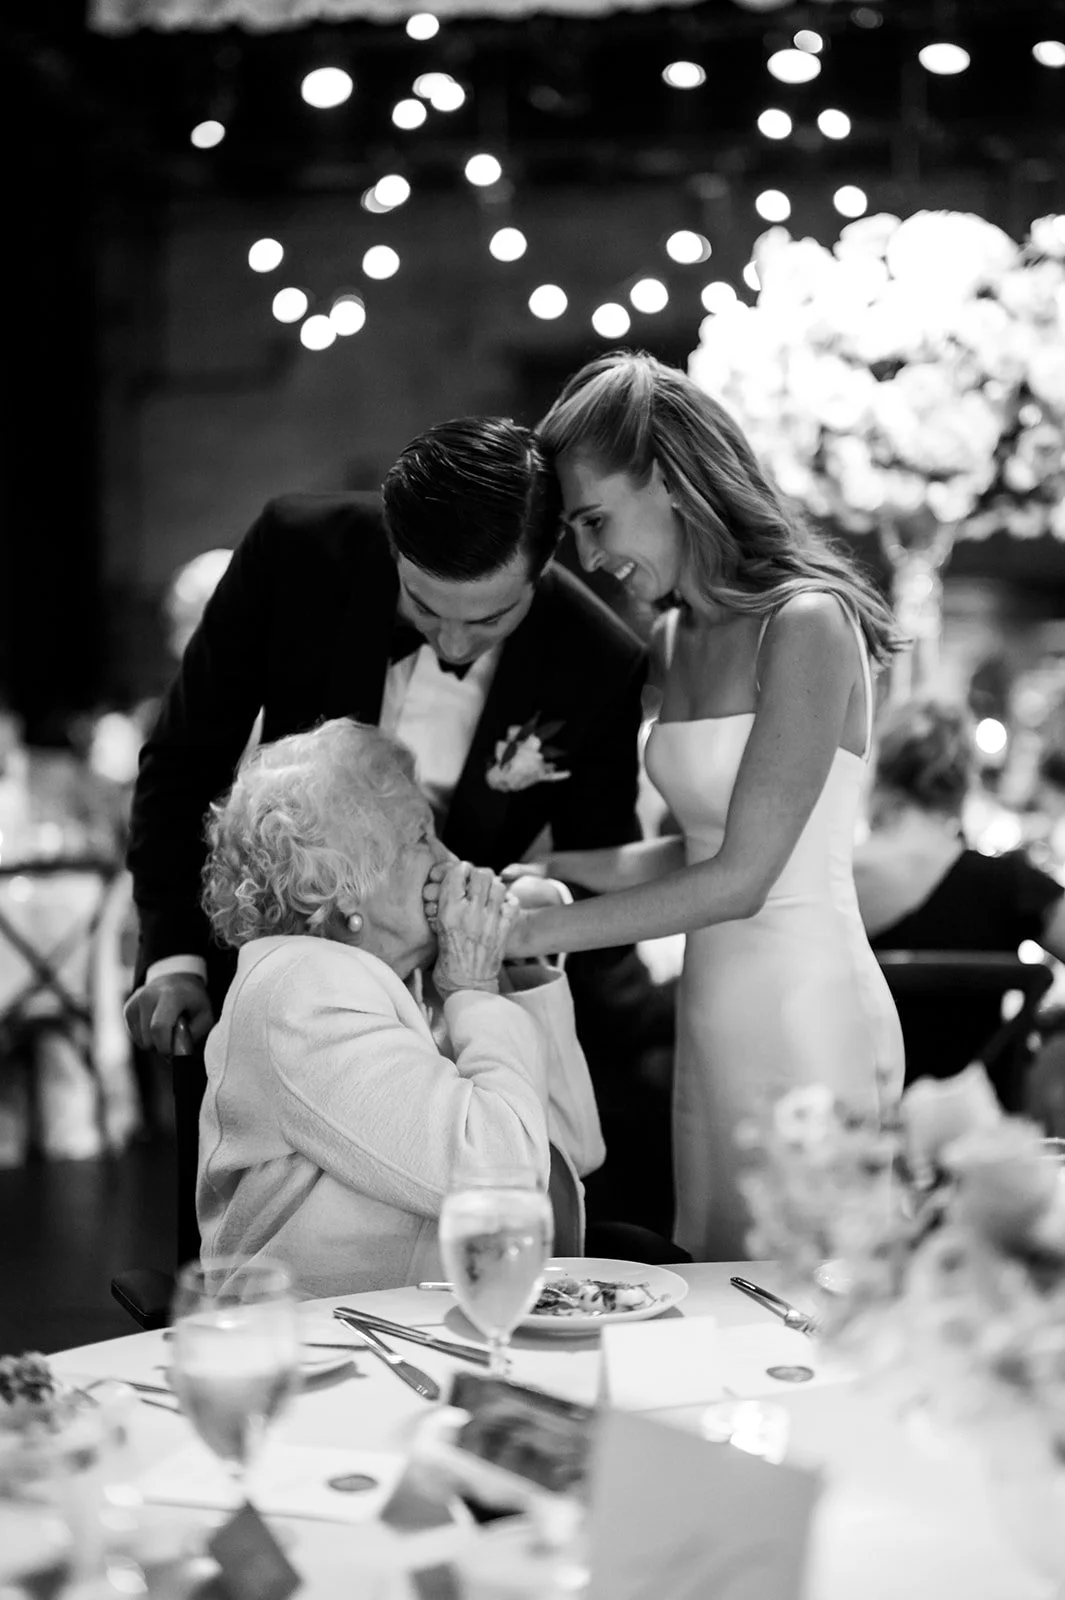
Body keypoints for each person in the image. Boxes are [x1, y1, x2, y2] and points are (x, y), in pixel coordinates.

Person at [122, 418, 649, 1263]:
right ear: (392, 549)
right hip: (287, 960)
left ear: (544, 563)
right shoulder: (297, 552)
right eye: (426, 607)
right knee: (266, 1250)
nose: (452, 643)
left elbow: (597, 858)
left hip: (451, 973)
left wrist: (529, 949)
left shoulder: (598, 660)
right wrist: (175, 956)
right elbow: (185, 759)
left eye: (488, 618)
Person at [471, 351, 906, 1261]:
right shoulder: (672, 636)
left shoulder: (807, 623)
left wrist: (524, 939)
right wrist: (554, 872)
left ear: (670, 478)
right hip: (712, 1008)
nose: (587, 557)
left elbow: (742, 878)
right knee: (716, 1262)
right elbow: (695, 851)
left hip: (805, 1004)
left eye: (594, 520)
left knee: (812, 1289)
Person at [197, 719, 604, 1299]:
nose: (450, 858)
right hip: (326, 1357)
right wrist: (473, 984)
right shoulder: (299, 990)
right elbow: (505, 1176)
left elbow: (574, 1155)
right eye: (420, 838)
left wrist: (506, 969)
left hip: (435, 1337)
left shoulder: (408, 981)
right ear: (342, 885)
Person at [856, 696, 1065, 1089]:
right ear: (964, 783)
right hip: (981, 1134)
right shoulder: (1008, 883)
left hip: (852, 1123)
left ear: (880, 774)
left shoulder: (833, 881)